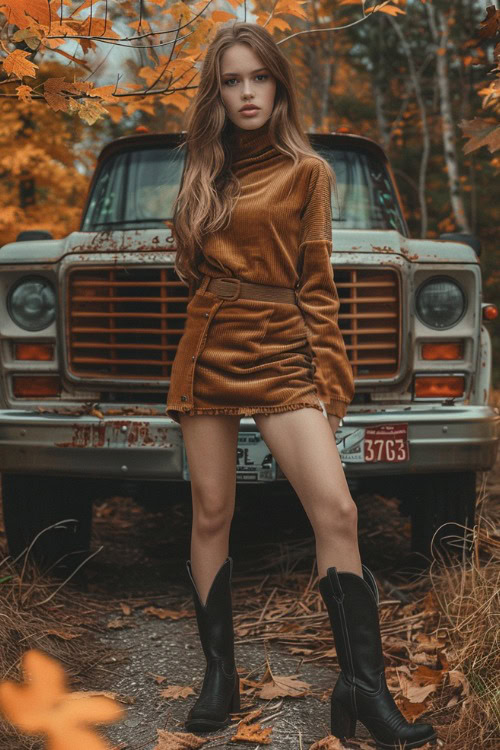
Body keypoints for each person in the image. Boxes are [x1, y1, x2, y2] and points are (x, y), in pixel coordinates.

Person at [165, 21, 437, 749]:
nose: (246, 92)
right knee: (213, 511)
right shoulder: (201, 166)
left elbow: (317, 285)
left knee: (337, 511)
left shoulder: (308, 171)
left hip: (285, 349)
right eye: (231, 80)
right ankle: (219, 676)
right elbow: (192, 268)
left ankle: (362, 687)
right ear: (216, 92)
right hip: (210, 344)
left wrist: (330, 380)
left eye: (258, 77)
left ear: (279, 84)